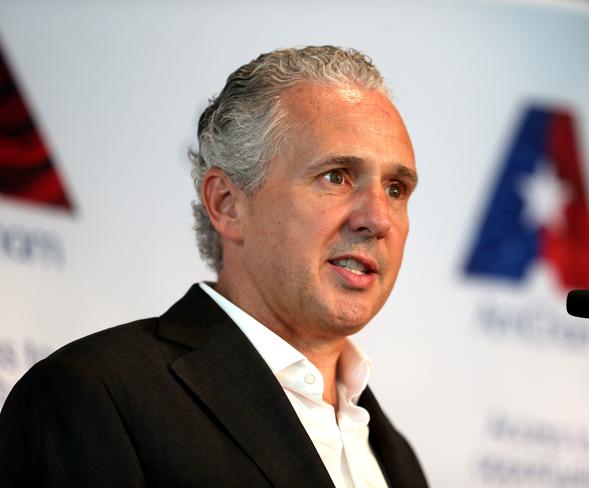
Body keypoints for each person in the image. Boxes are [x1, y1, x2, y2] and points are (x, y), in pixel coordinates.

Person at [0, 46, 427, 487]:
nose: (377, 219)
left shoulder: (396, 458)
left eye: (396, 189)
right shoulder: (93, 396)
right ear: (226, 204)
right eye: (336, 176)